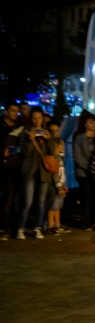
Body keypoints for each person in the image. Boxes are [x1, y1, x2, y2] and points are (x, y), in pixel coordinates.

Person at [17, 107, 50, 239]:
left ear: (42, 119)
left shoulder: (46, 133)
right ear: (30, 119)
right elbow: (24, 153)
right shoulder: (25, 133)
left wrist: (48, 139)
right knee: (27, 202)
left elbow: (51, 152)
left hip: (43, 171)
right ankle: (20, 228)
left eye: (39, 118)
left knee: (41, 202)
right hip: (29, 171)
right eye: (34, 118)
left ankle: (38, 228)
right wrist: (30, 140)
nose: (37, 121)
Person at [73, 114, 95, 229]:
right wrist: (90, 167)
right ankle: (85, 221)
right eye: (90, 122)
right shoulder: (79, 138)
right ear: (84, 124)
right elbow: (77, 156)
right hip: (83, 172)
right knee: (87, 195)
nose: (93, 124)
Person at [1, 102, 22, 241]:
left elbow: (22, 147)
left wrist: (16, 150)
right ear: (6, 112)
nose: (16, 113)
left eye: (17, 111)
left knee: (17, 199)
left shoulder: (20, 127)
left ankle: (15, 227)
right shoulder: (1, 127)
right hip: (4, 167)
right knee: (7, 197)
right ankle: (4, 228)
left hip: (18, 167)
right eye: (13, 110)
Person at [44, 138, 68, 236]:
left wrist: (64, 185)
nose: (62, 147)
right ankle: (50, 226)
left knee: (58, 206)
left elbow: (62, 173)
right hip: (54, 187)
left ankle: (57, 225)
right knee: (52, 206)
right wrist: (59, 187)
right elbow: (55, 174)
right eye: (61, 145)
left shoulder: (59, 157)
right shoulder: (54, 158)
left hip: (60, 186)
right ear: (57, 146)